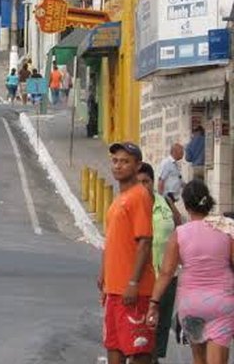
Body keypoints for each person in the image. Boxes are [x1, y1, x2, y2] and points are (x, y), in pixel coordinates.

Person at [146, 180, 234, 364]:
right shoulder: (226, 227)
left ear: (185, 205)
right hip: (221, 303)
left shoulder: (180, 233)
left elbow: (166, 273)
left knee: (198, 359)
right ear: (208, 201)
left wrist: (153, 303)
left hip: (191, 304)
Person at [99, 141, 156, 364]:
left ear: (137, 165)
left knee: (138, 349)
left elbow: (145, 242)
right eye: (115, 161)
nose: (118, 166)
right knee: (113, 346)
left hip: (135, 291)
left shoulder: (139, 195)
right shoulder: (118, 200)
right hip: (114, 290)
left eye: (125, 162)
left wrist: (133, 282)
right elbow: (112, 241)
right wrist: (104, 276)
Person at [137, 162, 182, 364]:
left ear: (153, 182)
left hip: (167, 277)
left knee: (161, 326)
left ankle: (154, 360)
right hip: (143, 278)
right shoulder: (132, 206)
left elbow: (179, 224)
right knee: (143, 329)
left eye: (146, 181)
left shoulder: (165, 201)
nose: (142, 186)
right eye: (138, 183)